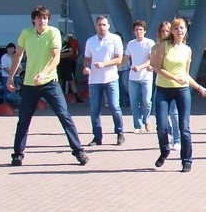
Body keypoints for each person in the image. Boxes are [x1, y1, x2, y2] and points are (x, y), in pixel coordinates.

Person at [6, 6, 89, 166]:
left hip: (50, 82)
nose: (42, 21)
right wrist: (11, 78)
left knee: (64, 115)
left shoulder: (53, 32)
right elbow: (18, 55)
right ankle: (17, 154)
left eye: (45, 18)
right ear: (33, 20)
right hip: (29, 84)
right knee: (23, 119)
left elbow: (56, 57)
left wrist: (44, 73)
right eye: (39, 18)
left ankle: (78, 151)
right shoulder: (26, 33)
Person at [151, 16, 206, 172]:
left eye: (182, 28)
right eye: (176, 28)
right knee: (162, 127)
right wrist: (174, 78)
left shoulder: (187, 50)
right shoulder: (164, 46)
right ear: (172, 31)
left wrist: (199, 88)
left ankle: (186, 160)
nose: (179, 31)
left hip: (182, 90)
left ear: (186, 30)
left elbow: (186, 74)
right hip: (163, 89)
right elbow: (157, 68)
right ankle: (165, 151)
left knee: (184, 126)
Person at [82, 15, 125, 146]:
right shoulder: (91, 41)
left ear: (108, 25)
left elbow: (119, 59)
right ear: (96, 26)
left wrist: (104, 64)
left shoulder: (115, 39)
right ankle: (97, 137)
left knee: (114, 106)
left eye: (104, 25)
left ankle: (120, 133)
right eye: (99, 25)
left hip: (110, 78)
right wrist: (86, 67)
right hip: (94, 80)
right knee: (94, 110)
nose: (102, 27)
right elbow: (87, 58)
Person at [121, 20, 156, 133]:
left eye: (140, 29)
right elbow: (125, 58)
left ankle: (146, 119)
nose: (138, 32)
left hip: (146, 76)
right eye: (136, 30)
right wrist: (116, 66)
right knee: (134, 102)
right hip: (133, 78)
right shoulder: (131, 44)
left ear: (144, 31)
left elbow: (152, 59)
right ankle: (137, 125)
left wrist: (140, 67)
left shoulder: (150, 43)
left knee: (146, 101)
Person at [156, 20, 182, 150]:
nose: (165, 33)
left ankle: (177, 139)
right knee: (162, 117)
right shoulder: (158, 46)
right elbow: (155, 65)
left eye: (167, 31)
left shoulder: (181, 48)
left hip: (176, 86)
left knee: (174, 114)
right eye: (163, 31)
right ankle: (168, 136)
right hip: (162, 85)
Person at [59, 35, 80, 101]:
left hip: (67, 64)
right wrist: (63, 55)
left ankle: (76, 97)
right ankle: (60, 96)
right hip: (59, 65)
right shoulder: (55, 44)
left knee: (71, 80)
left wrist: (60, 55)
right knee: (60, 81)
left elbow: (70, 53)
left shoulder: (67, 44)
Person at [0, 42, 22, 106]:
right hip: (6, 77)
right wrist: (12, 74)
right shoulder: (4, 57)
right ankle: (6, 105)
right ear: (7, 49)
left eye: (12, 48)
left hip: (16, 77)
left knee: (14, 90)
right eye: (9, 48)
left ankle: (13, 105)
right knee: (7, 91)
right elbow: (4, 67)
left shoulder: (16, 56)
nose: (11, 50)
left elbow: (20, 67)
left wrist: (16, 73)